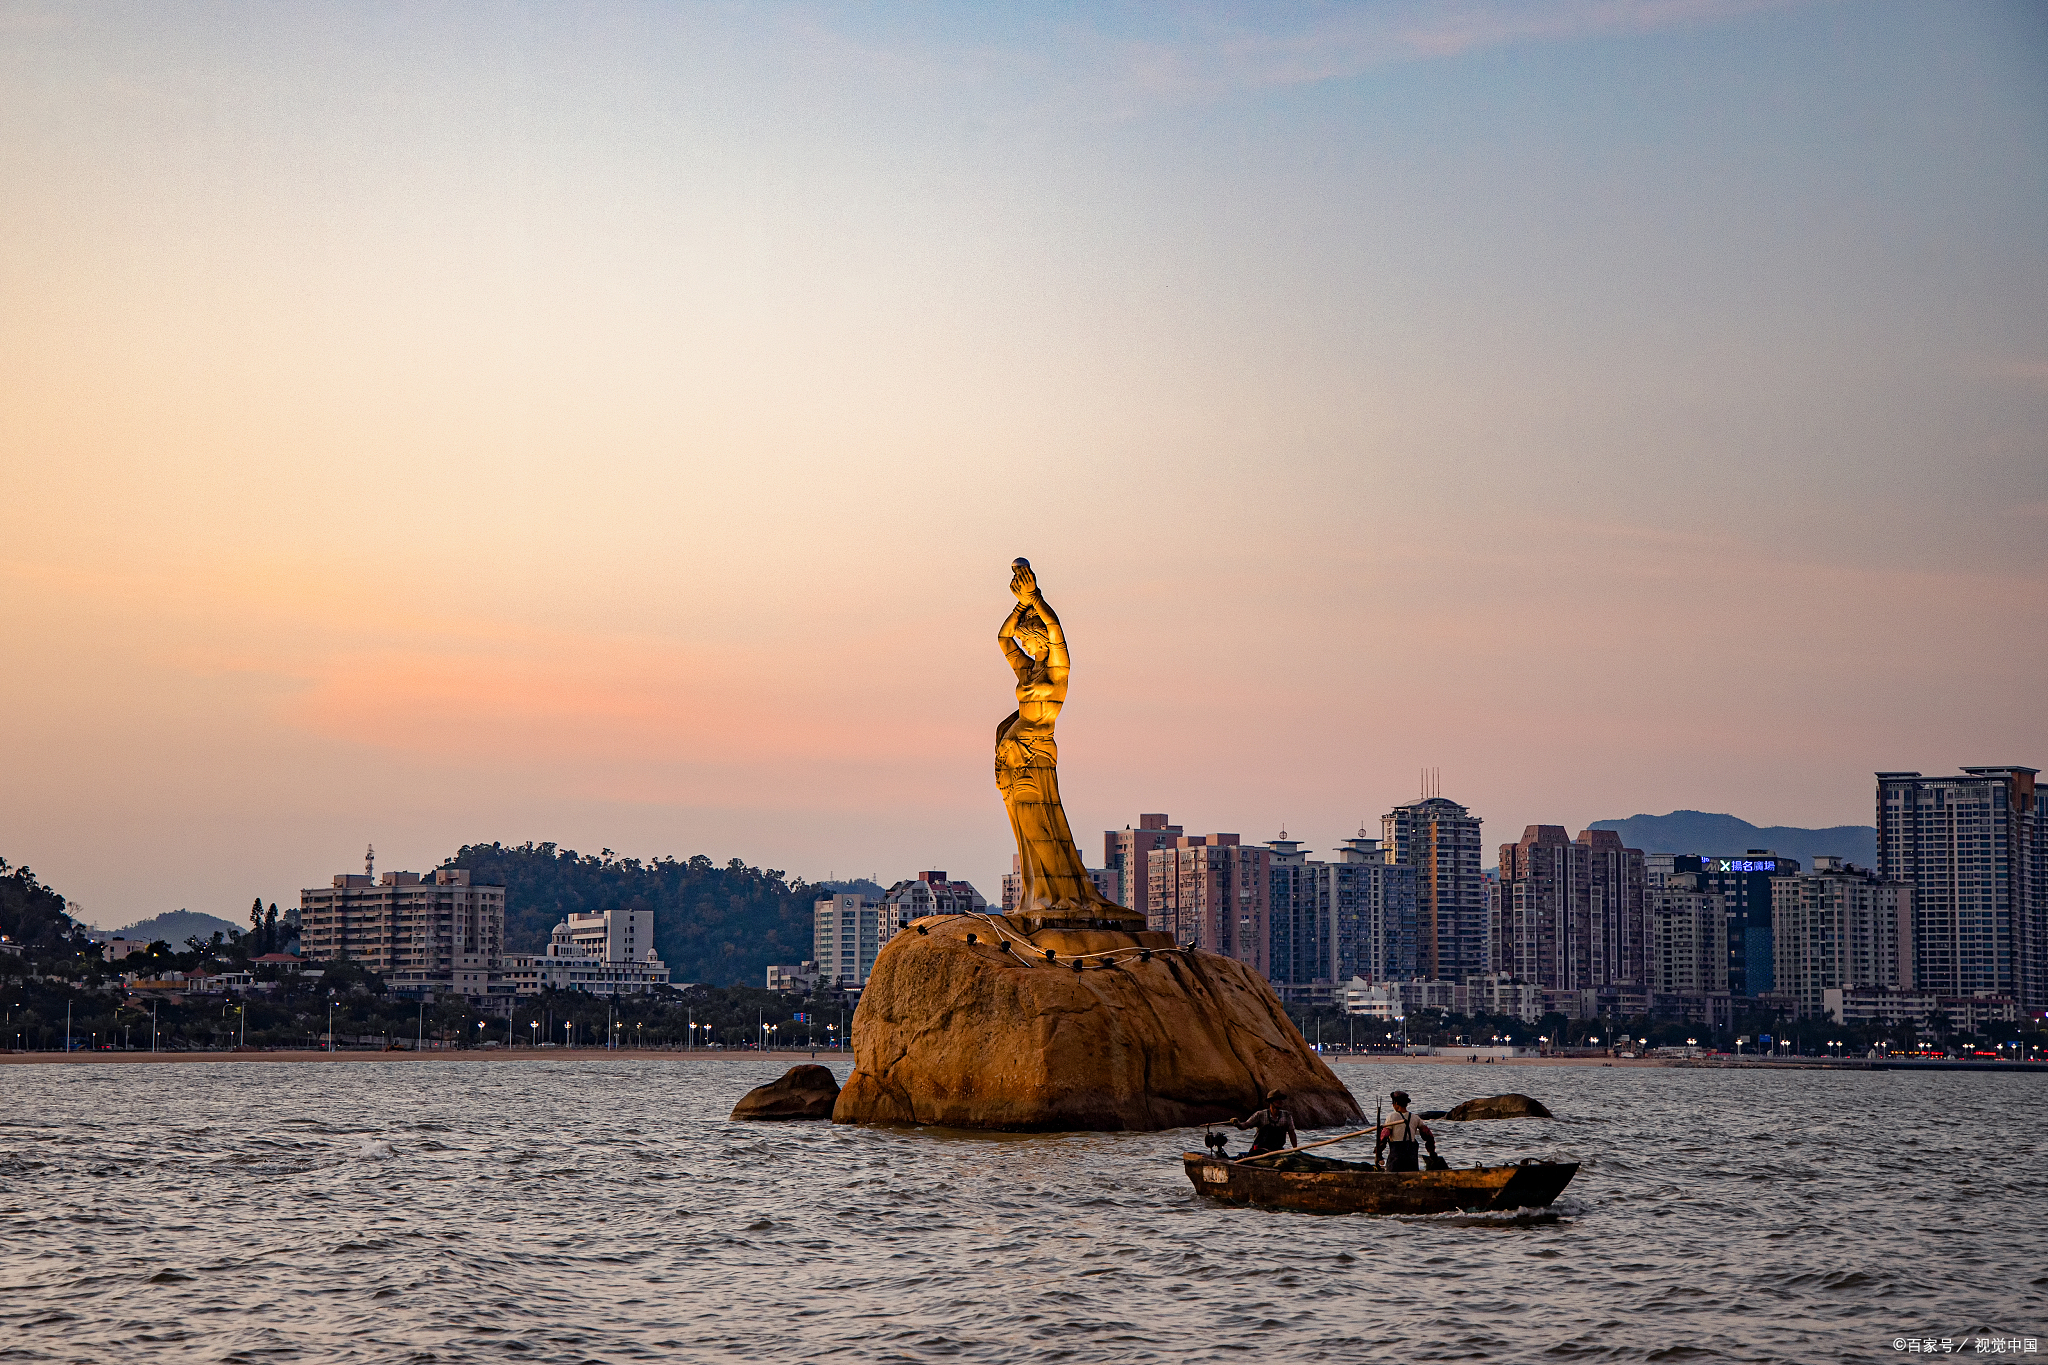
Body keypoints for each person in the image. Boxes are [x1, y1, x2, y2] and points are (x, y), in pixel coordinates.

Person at [1376, 1090, 1437, 1171]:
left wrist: (1379, 1154)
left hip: (1396, 1158)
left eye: (1393, 1103)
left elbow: (1383, 1138)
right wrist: (1432, 1153)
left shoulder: (1391, 1117)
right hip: (1412, 1159)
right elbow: (1428, 1136)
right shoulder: (1415, 1118)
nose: (1393, 1105)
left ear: (1396, 1103)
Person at [1228, 1089, 1298, 1157]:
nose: (1280, 1101)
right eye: (1277, 1099)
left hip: (1277, 1151)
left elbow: (1292, 1133)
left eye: (1281, 1099)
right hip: (1259, 1151)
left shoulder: (1287, 1116)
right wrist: (1237, 1124)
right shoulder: (1260, 1115)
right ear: (1271, 1101)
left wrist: (1295, 1150)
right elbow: (1245, 1125)